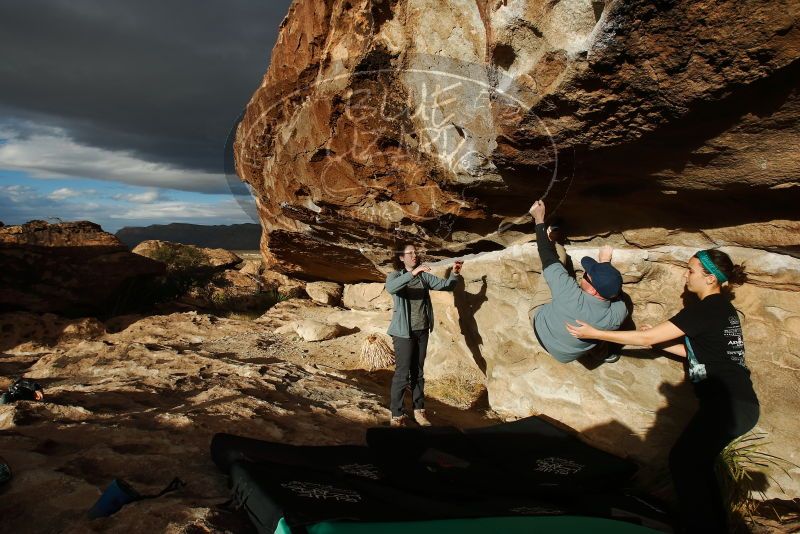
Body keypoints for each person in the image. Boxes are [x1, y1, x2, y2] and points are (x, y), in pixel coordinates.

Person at [566, 249, 759, 533]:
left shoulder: (705, 310)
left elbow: (646, 336)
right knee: (695, 465)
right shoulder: (722, 311)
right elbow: (698, 352)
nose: (686, 275)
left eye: (691, 270)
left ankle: (703, 527)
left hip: (728, 405)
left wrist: (595, 334)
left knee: (684, 462)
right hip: (736, 405)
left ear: (709, 278)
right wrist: (659, 344)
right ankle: (711, 525)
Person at [529, 199, 627, 363]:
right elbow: (618, 295)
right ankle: (602, 355)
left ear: (593, 290)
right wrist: (605, 268)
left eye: (587, 275)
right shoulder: (617, 315)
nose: (584, 274)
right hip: (567, 355)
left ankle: (555, 240)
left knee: (554, 262)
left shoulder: (568, 293)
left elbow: (547, 257)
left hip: (540, 326)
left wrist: (539, 219)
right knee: (599, 335)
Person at [385, 244, 462, 427]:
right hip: (403, 332)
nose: (414, 255)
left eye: (415, 253)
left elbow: (446, 285)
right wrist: (414, 272)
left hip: (422, 330)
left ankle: (419, 411)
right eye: (410, 253)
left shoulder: (423, 277)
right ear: (402, 258)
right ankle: (397, 414)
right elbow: (392, 288)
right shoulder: (395, 276)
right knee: (402, 374)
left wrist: (455, 273)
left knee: (418, 373)